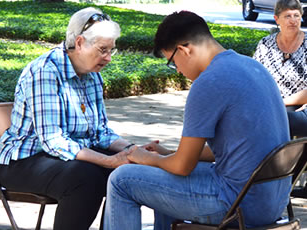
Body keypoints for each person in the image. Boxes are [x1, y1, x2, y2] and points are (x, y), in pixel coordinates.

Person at [104, 11, 291, 230]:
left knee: (122, 180)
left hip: (237, 203)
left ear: (184, 50)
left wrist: (145, 157)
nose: (179, 71)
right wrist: (167, 155)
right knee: (161, 173)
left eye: (173, 63)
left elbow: (182, 167)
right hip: (271, 201)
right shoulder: (252, 67)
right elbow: (236, 150)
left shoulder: (209, 81)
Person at [0, 7, 134, 230]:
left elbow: (100, 133)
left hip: (65, 157)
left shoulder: (92, 75)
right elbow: (53, 140)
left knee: (132, 172)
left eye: (111, 50)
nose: (108, 58)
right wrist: (108, 160)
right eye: (103, 50)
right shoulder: (44, 71)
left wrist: (131, 150)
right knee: (86, 177)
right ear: (80, 43)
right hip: (23, 161)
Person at [253, 0, 307, 137]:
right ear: (277, 19)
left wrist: (279, 103)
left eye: (296, 15)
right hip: (271, 104)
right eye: (287, 16)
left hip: (300, 106)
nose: (293, 20)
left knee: (274, 121)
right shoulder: (266, 44)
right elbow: (254, 77)